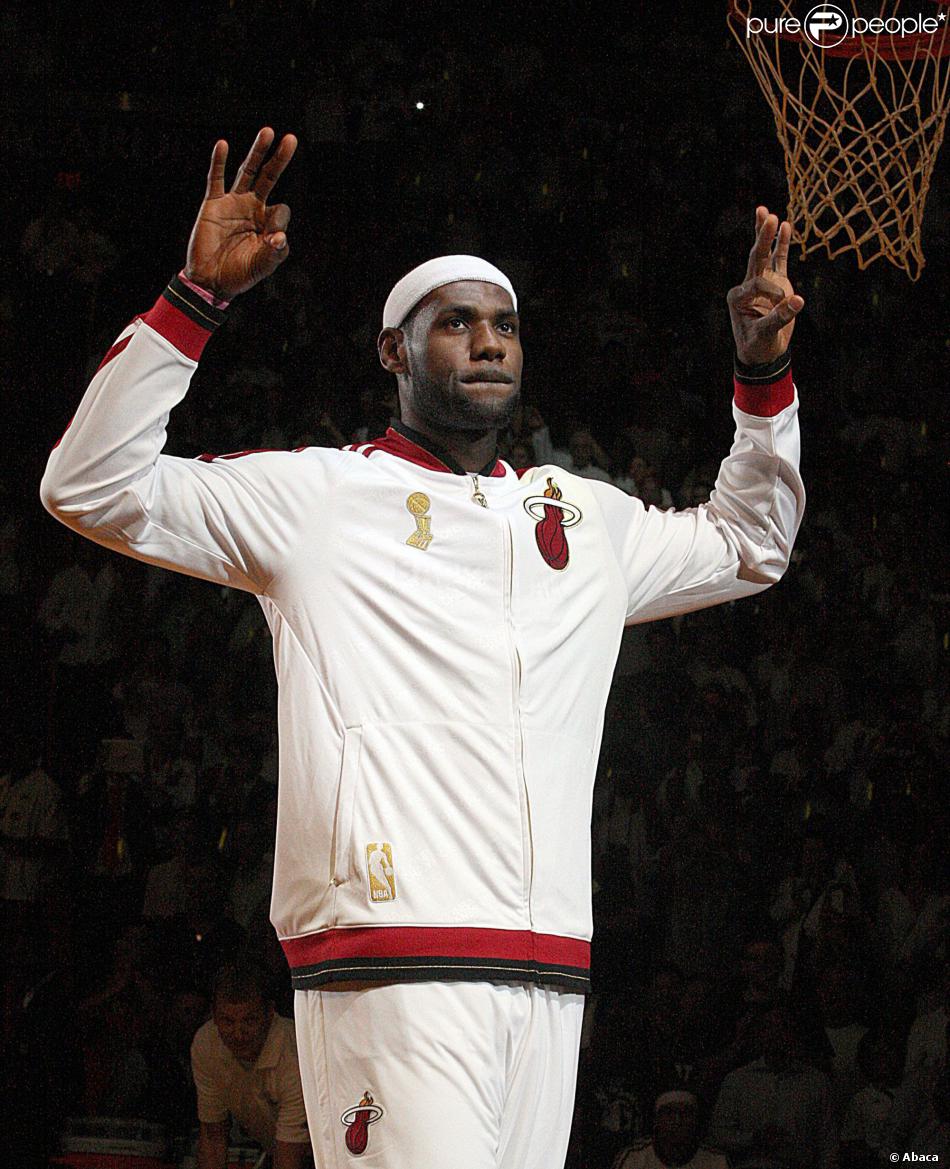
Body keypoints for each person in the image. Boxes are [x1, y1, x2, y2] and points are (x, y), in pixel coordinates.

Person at [41, 127, 805, 1168]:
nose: (488, 340)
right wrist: (193, 300)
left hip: (548, 971)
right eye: (455, 323)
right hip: (388, 958)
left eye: (504, 324)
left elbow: (748, 543)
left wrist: (760, 378)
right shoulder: (314, 496)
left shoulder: (583, 519)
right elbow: (89, 487)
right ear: (394, 352)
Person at [191, 962, 309, 1169]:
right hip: (278, 1149)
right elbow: (212, 1137)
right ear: (214, 1015)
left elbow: (290, 1155)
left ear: (270, 1013)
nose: (238, 1034)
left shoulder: (292, 1054)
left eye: (249, 1020)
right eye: (227, 1021)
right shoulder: (206, 1045)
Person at [612, 1090, 728, 1169]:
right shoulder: (634, 1159)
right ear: (657, 1121)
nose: (677, 1121)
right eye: (669, 1113)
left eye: (685, 1114)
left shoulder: (717, 1161)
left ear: (696, 1121)